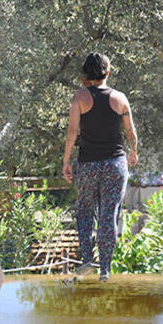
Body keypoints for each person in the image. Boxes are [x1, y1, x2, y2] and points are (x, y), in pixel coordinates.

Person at [62, 52, 138, 282]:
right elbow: (130, 132)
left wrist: (66, 161)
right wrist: (133, 151)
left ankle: (87, 260)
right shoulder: (120, 98)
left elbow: (72, 134)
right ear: (108, 72)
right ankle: (105, 269)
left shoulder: (80, 98)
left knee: (85, 211)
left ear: (86, 74)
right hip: (115, 164)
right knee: (109, 214)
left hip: (88, 165)